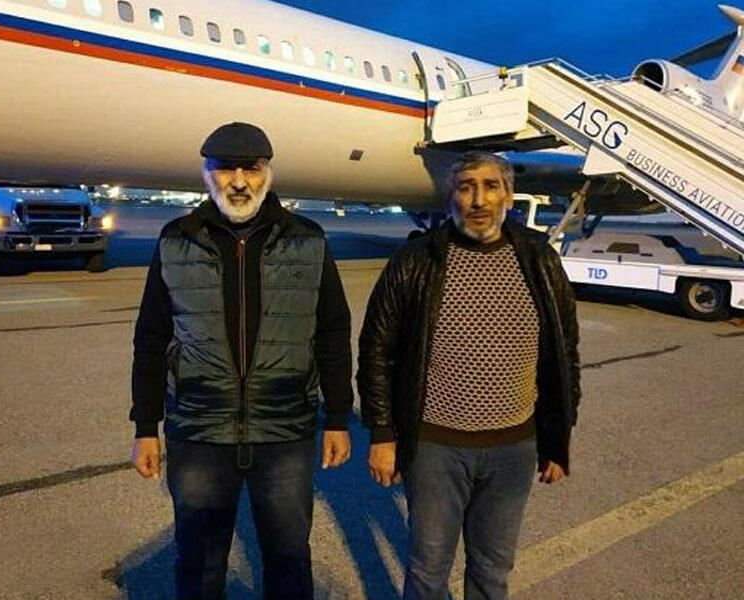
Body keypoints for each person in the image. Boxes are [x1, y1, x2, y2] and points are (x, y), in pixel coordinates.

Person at [129, 122, 353, 600]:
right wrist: (145, 426)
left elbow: (332, 332)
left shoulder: (308, 240)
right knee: (198, 565)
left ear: (267, 172)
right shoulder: (176, 240)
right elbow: (151, 338)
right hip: (199, 430)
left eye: (250, 168)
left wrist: (337, 417)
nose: (237, 181)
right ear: (206, 174)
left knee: (289, 562)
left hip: (284, 429)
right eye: (224, 168)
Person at [357, 151, 581, 600]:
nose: (478, 200)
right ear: (451, 197)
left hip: (513, 449)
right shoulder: (417, 259)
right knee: (428, 568)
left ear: (509, 195)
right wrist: (382, 434)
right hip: (435, 447)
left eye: (490, 186)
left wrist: (558, 437)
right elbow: (377, 350)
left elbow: (563, 353)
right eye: (466, 187)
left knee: (493, 568)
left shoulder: (538, 258)